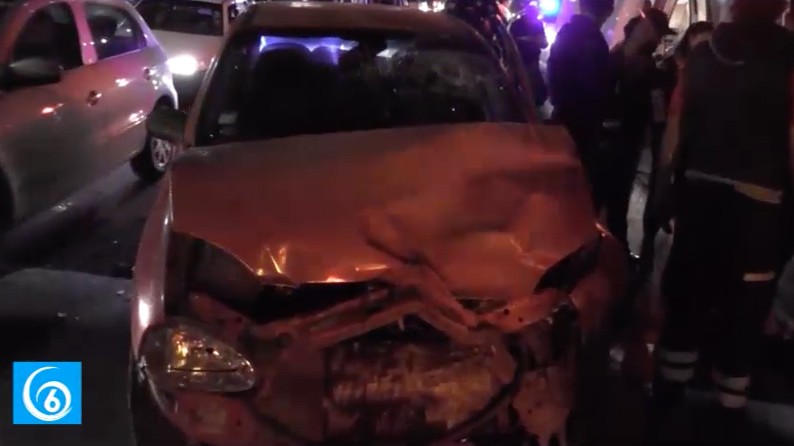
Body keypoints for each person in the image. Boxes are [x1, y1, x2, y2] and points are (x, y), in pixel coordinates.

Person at [650, 0, 794, 435]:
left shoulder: (702, 55)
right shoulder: (788, 55)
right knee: (744, 314)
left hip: (697, 199)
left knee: (688, 300)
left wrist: (663, 193)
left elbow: (673, 136)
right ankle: (728, 416)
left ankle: (665, 406)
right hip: (758, 209)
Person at [638, 21, 713, 276]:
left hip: (693, 155)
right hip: (670, 143)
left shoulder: (710, 76)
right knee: (658, 199)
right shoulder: (671, 70)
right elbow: (661, 107)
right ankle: (648, 250)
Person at [603, 7, 675, 251]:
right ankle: (615, 253)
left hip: (610, 140)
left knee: (609, 200)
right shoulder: (643, 69)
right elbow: (656, 115)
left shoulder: (616, 56)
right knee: (616, 202)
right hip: (623, 142)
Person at [547, 0, 614, 209]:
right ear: (608, 11)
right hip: (582, 128)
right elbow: (593, 87)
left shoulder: (566, 32)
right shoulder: (594, 41)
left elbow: (552, 72)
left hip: (561, 121)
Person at [509, 1, 548, 108]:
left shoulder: (537, 24)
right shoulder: (517, 24)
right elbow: (510, 42)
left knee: (536, 94)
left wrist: (532, 40)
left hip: (531, 61)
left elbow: (544, 43)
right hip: (520, 61)